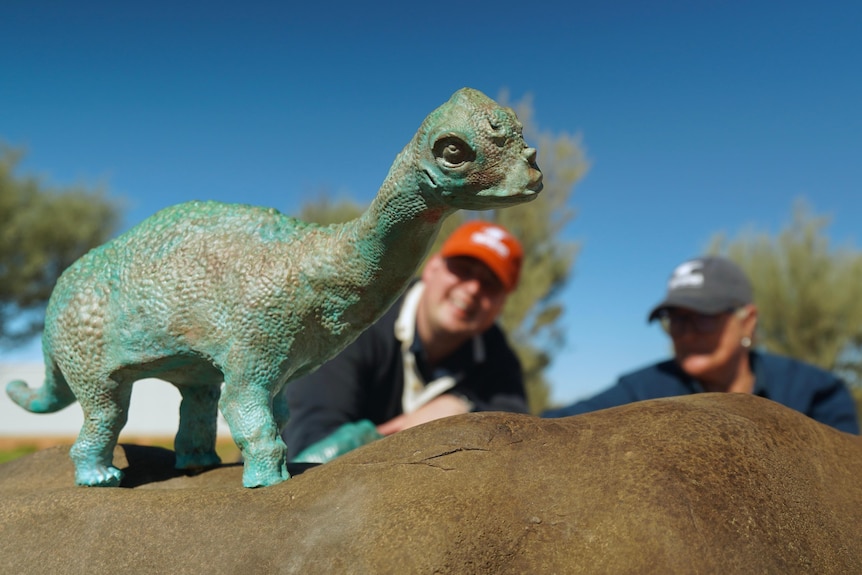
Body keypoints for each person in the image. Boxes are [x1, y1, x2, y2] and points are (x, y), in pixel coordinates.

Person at [282, 220, 529, 463]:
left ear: (500, 305)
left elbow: (518, 440)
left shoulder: (499, 357)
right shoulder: (355, 318)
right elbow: (307, 447)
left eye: (490, 285)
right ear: (432, 268)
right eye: (463, 269)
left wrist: (460, 407)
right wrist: (401, 437)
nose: (473, 289)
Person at [543, 256, 860, 434]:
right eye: (675, 319)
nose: (686, 333)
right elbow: (553, 427)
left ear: (747, 320)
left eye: (704, 317)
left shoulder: (815, 392)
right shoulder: (642, 390)